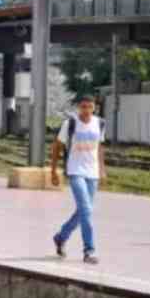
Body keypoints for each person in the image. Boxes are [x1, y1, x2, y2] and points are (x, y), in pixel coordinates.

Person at [50, 95, 107, 265]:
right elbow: (57, 147)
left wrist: (102, 169)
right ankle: (89, 251)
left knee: (83, 211)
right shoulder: (70, 124)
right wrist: (53, 171)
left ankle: (61, 237)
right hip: (75, 171)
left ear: (94, 108)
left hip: (93, 173)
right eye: (83, 107)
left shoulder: (100, 124)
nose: (86, 110)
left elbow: (100, 147)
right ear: (78, 108)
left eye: (89, 107)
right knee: (87, 210)